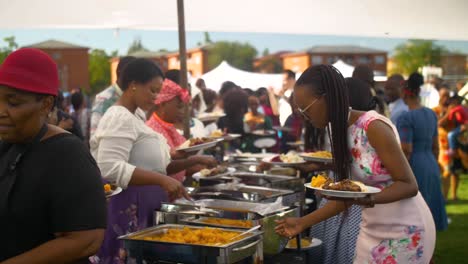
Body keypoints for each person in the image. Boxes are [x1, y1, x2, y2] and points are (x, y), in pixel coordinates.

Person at [275, 65, 435, 264]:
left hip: (405, 229)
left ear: (326, 98)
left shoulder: (373, 126)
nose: (304, 116)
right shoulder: (338, 130)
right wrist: (302, 222)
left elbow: (409, 185)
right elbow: (347, 198)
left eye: (305, 109)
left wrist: (367, 198)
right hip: (372, 226)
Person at [0, 48, 106, 263]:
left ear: (46, 104)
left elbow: (87, 239)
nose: (1, 110)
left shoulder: (68, 155)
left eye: (13, 103)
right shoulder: (7, 144)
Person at [90, 58, 190, 263]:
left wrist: (182, 159)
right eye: (152, 90)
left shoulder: (136, 115)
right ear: (133, 85)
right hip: (127, 212)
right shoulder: (119, 116)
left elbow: (145, 160)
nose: (155, 98)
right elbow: (108, 167)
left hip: (144, 208)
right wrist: (162, 180)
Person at [397, 72, 448, 231]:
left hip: (415, 166)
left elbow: (406, 149)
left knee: (416, 215)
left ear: (405, 95)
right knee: (430, 211)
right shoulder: (431, 114)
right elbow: (436, 146)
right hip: (431, 164)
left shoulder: (406, 117)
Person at [146, 78, 217, 182]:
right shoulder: (152, 130)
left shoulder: (168, 126)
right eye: (179, 107)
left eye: (185, 107)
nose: (183, 112)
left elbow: (177, 164)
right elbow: (163, 167)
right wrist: (195, 160)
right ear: (162, 104)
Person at [90, 56, 137, 138]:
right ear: (119, 73)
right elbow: (95, 135)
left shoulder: (136, 97)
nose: (136, 80)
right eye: (132, 75)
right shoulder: (104, 99)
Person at [433, 87, 457, 200]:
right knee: (444, 170)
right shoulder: (435, 110)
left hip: (452, 145)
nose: (446, 98)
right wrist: (449, 112)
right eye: (444, 96)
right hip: (440, 145)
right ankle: (441, 196)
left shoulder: (454, 109)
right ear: (439, 96)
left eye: (448, 96)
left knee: (452, 171)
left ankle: (448, 196)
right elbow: (439, 123)